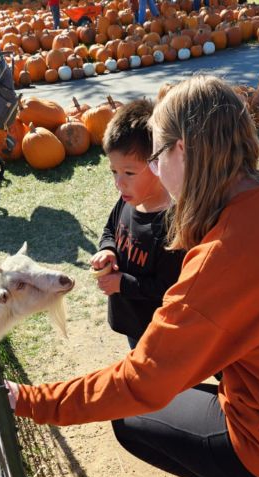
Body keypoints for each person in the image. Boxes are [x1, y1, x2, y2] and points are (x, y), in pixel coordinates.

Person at [6, 76, 259, 477]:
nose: (153, 168)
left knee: (130, 421)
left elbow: (139, 383)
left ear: (184, 152)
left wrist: (30, 401)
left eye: (154, 157)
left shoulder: (225, 256)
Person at [90, 98, 184, 349]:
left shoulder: (171, 224)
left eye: (129, 173)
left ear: (156, 164)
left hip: (157, 332)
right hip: (132, 323)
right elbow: (110, 229)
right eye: (114, 171)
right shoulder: (127, 201)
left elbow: (168, 288)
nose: (119, 182)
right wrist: (107, 250)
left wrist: (122, 283)